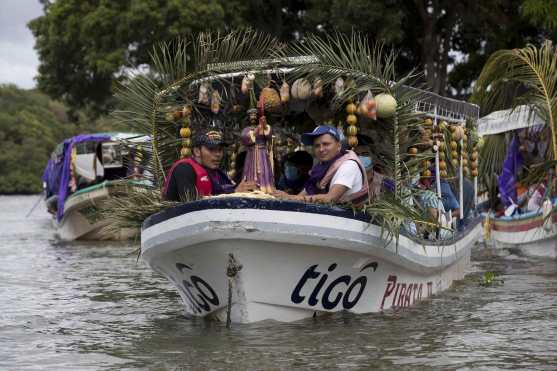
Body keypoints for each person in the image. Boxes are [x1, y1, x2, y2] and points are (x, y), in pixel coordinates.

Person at [273, 125, 368, 204]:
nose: (321, 149)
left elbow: (330, 199)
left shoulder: (348, 166)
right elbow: (300, 197)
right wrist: (281, 196)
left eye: (326, 144)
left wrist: (289, 198)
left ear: (339, 146)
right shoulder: (320, 169)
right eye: (317, 145)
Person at [163, 130, 256, 201]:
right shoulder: (184, 169)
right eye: (212, 149)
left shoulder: (218, 174)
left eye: (220, 150)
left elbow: (226, 191)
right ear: (197, 151)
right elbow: (191, 207)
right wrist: (234, 193)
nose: (218, 154)